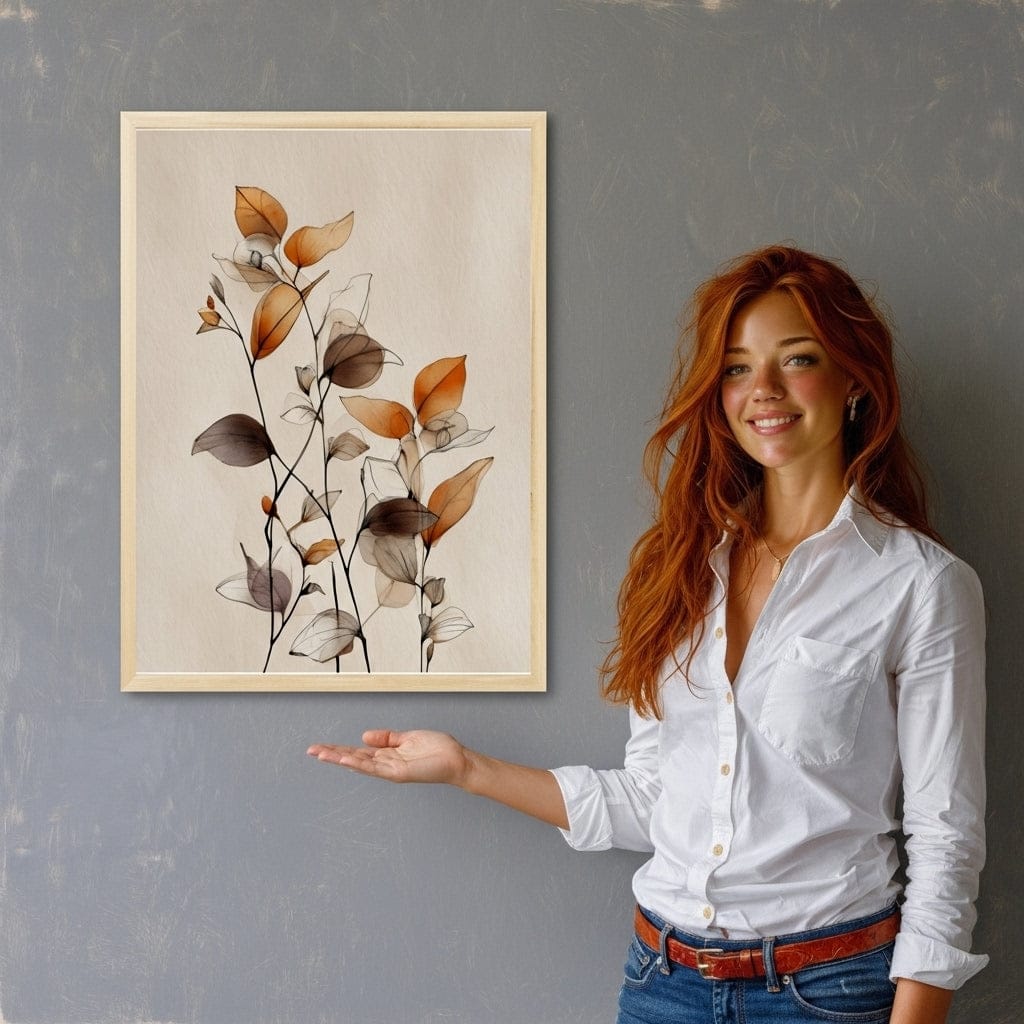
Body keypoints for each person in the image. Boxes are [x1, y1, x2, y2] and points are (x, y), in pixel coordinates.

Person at [308, 245, 986, 1024]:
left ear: (855, 380)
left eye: (797, 359)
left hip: (826, 991)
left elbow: (946, 842)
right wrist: (467, 769)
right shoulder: (681, 568)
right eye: (736, 368)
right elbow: (655, 798)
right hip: (663, 984)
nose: (762, 390)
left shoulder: (921, 585)